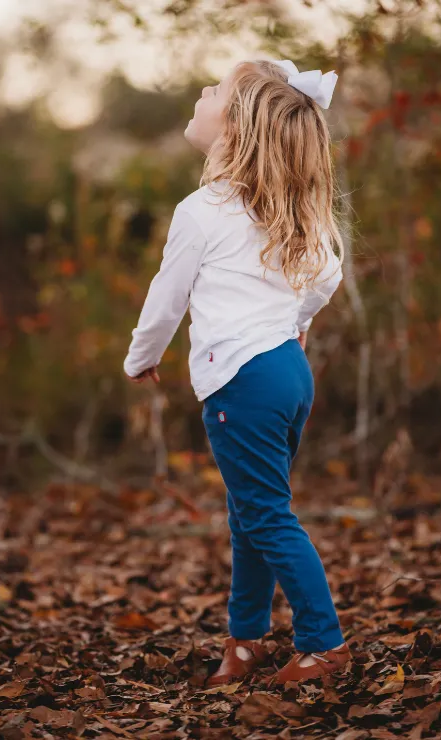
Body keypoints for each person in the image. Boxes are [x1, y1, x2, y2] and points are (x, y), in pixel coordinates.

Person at [123, 58, 352, 687]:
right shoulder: (286, 209)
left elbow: (165, 300)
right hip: (287, 374)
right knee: (251, 512)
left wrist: (141, 359)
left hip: (244, 383)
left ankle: (324, 645)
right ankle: (245, 641)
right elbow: (328, 276)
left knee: (267, 516)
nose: (202, 91)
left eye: (215, 90)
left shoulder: (202, 210)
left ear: (236, 125)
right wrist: (297, 323)